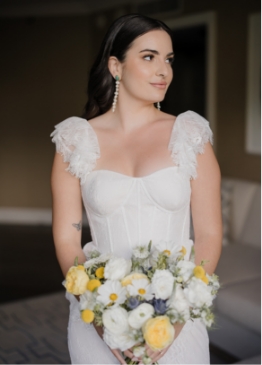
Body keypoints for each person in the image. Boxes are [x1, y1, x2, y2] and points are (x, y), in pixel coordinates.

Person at [50, 13, 222, 365]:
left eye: (169, 59)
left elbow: (208, 234)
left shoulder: (190, 135)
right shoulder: (75, 140)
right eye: (149, 57)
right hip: (96, 317)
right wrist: (104, 323)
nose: (164, 70)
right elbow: (68, 240)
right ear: (116, 66)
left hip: (178, 319)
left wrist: (174, 320)